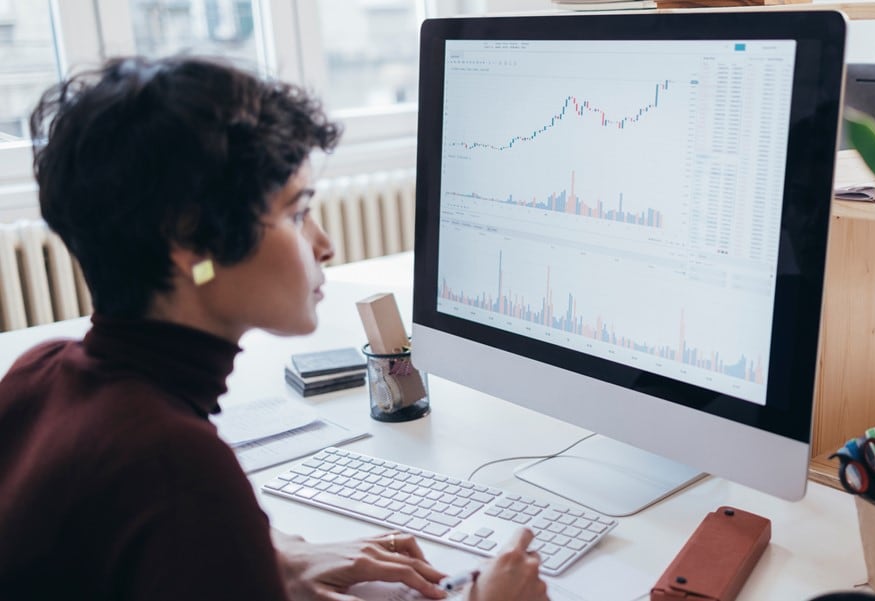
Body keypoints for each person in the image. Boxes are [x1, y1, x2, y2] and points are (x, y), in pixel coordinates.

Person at [0, 56, 548, 601]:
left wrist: (267, 555)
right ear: (193, 244)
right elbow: (176, 513)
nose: (324, 245)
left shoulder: (37, 373)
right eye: (296, 213)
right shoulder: (178, 471)